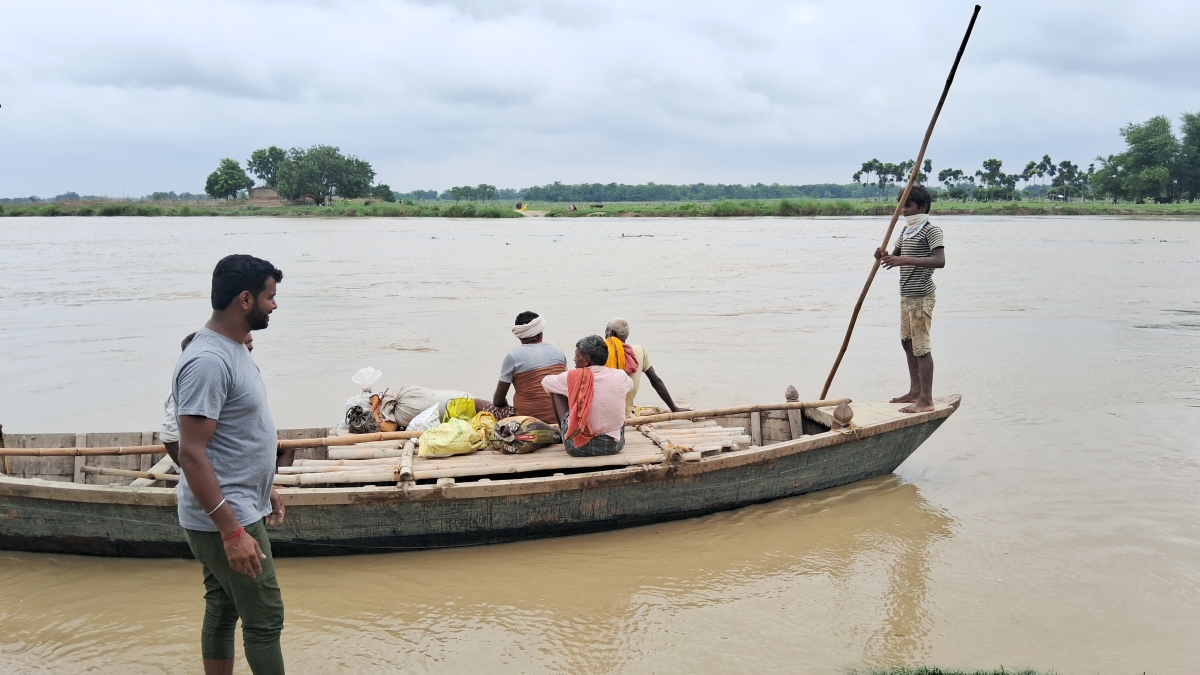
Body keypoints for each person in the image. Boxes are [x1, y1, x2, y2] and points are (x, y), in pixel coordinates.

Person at [174, 254, 287, 675]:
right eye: (269, 297)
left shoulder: (233, 349)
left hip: (239, 502)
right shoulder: (208, 361)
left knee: (223, 606)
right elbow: (190, 452)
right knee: (265, 619)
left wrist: (265, 486)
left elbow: (234, 437)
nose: (274, 305)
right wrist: (233, 531)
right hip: (228, 516)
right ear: (245, 299)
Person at [875, 185, 945, 413]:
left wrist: (904, 260)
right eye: (901, 205)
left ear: (922, 207)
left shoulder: (930, 230)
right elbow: (893, 257)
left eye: (908, 205)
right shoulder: (906, 231)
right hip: (906, 295)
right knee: (907, 342)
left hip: (922, 295)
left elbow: (939, 260)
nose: (903, 210)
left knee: (921, 346)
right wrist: (882, 256)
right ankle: (915, 391)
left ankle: (926, 399)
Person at [163, 332, 257, 467]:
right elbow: (169, 437)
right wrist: (189, 472)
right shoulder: (192, 387)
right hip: (210, 468)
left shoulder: (224, 378)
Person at [542, 335, 633, 457]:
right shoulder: (621, 375)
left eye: (576, 356)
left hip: (579, 448)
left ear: (586, 360)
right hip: (615, 445)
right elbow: (630, 386)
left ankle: (567, 437)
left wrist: (574, 387)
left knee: (556, 391)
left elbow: (545, 382)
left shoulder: (571, 377)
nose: (574, 359)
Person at [603, 318, 690, 415]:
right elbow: (655, 380)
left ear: (612, 333)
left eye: (605, 332)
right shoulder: (639, 351)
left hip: (604, 417)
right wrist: (674, 408)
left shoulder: (601, 352)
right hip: (625, 416)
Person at [492, 311, 567, 423]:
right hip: (562, 417)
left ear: (519, 336)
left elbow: (498, 401)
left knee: (480, 404)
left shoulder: (512, 357)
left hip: (528, 421)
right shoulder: (558, 351)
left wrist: (508, 409)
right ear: (539, 334)